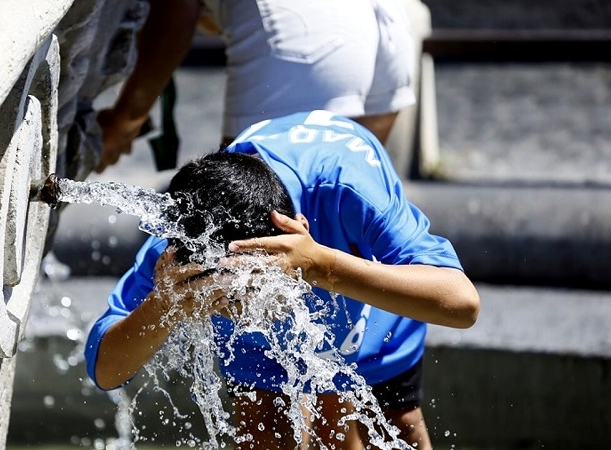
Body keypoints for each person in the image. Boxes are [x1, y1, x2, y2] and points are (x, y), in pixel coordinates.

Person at [84, 110, 481, 449]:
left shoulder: (348, 191)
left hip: (370, 308)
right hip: (275, 315)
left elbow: (461, 304)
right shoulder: (182, 246)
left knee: (391, 429)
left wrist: (320, 264)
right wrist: (162, 305)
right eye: (221, 303)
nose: (243, 318)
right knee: (266, 434)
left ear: (299, 229)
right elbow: (105, 371)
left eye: (252, 292)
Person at [94, 0, 420, 173]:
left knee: (242, 226)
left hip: (299, 31)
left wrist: (124, 122)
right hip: (388, 22)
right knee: (345, 221)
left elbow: (177, 9)